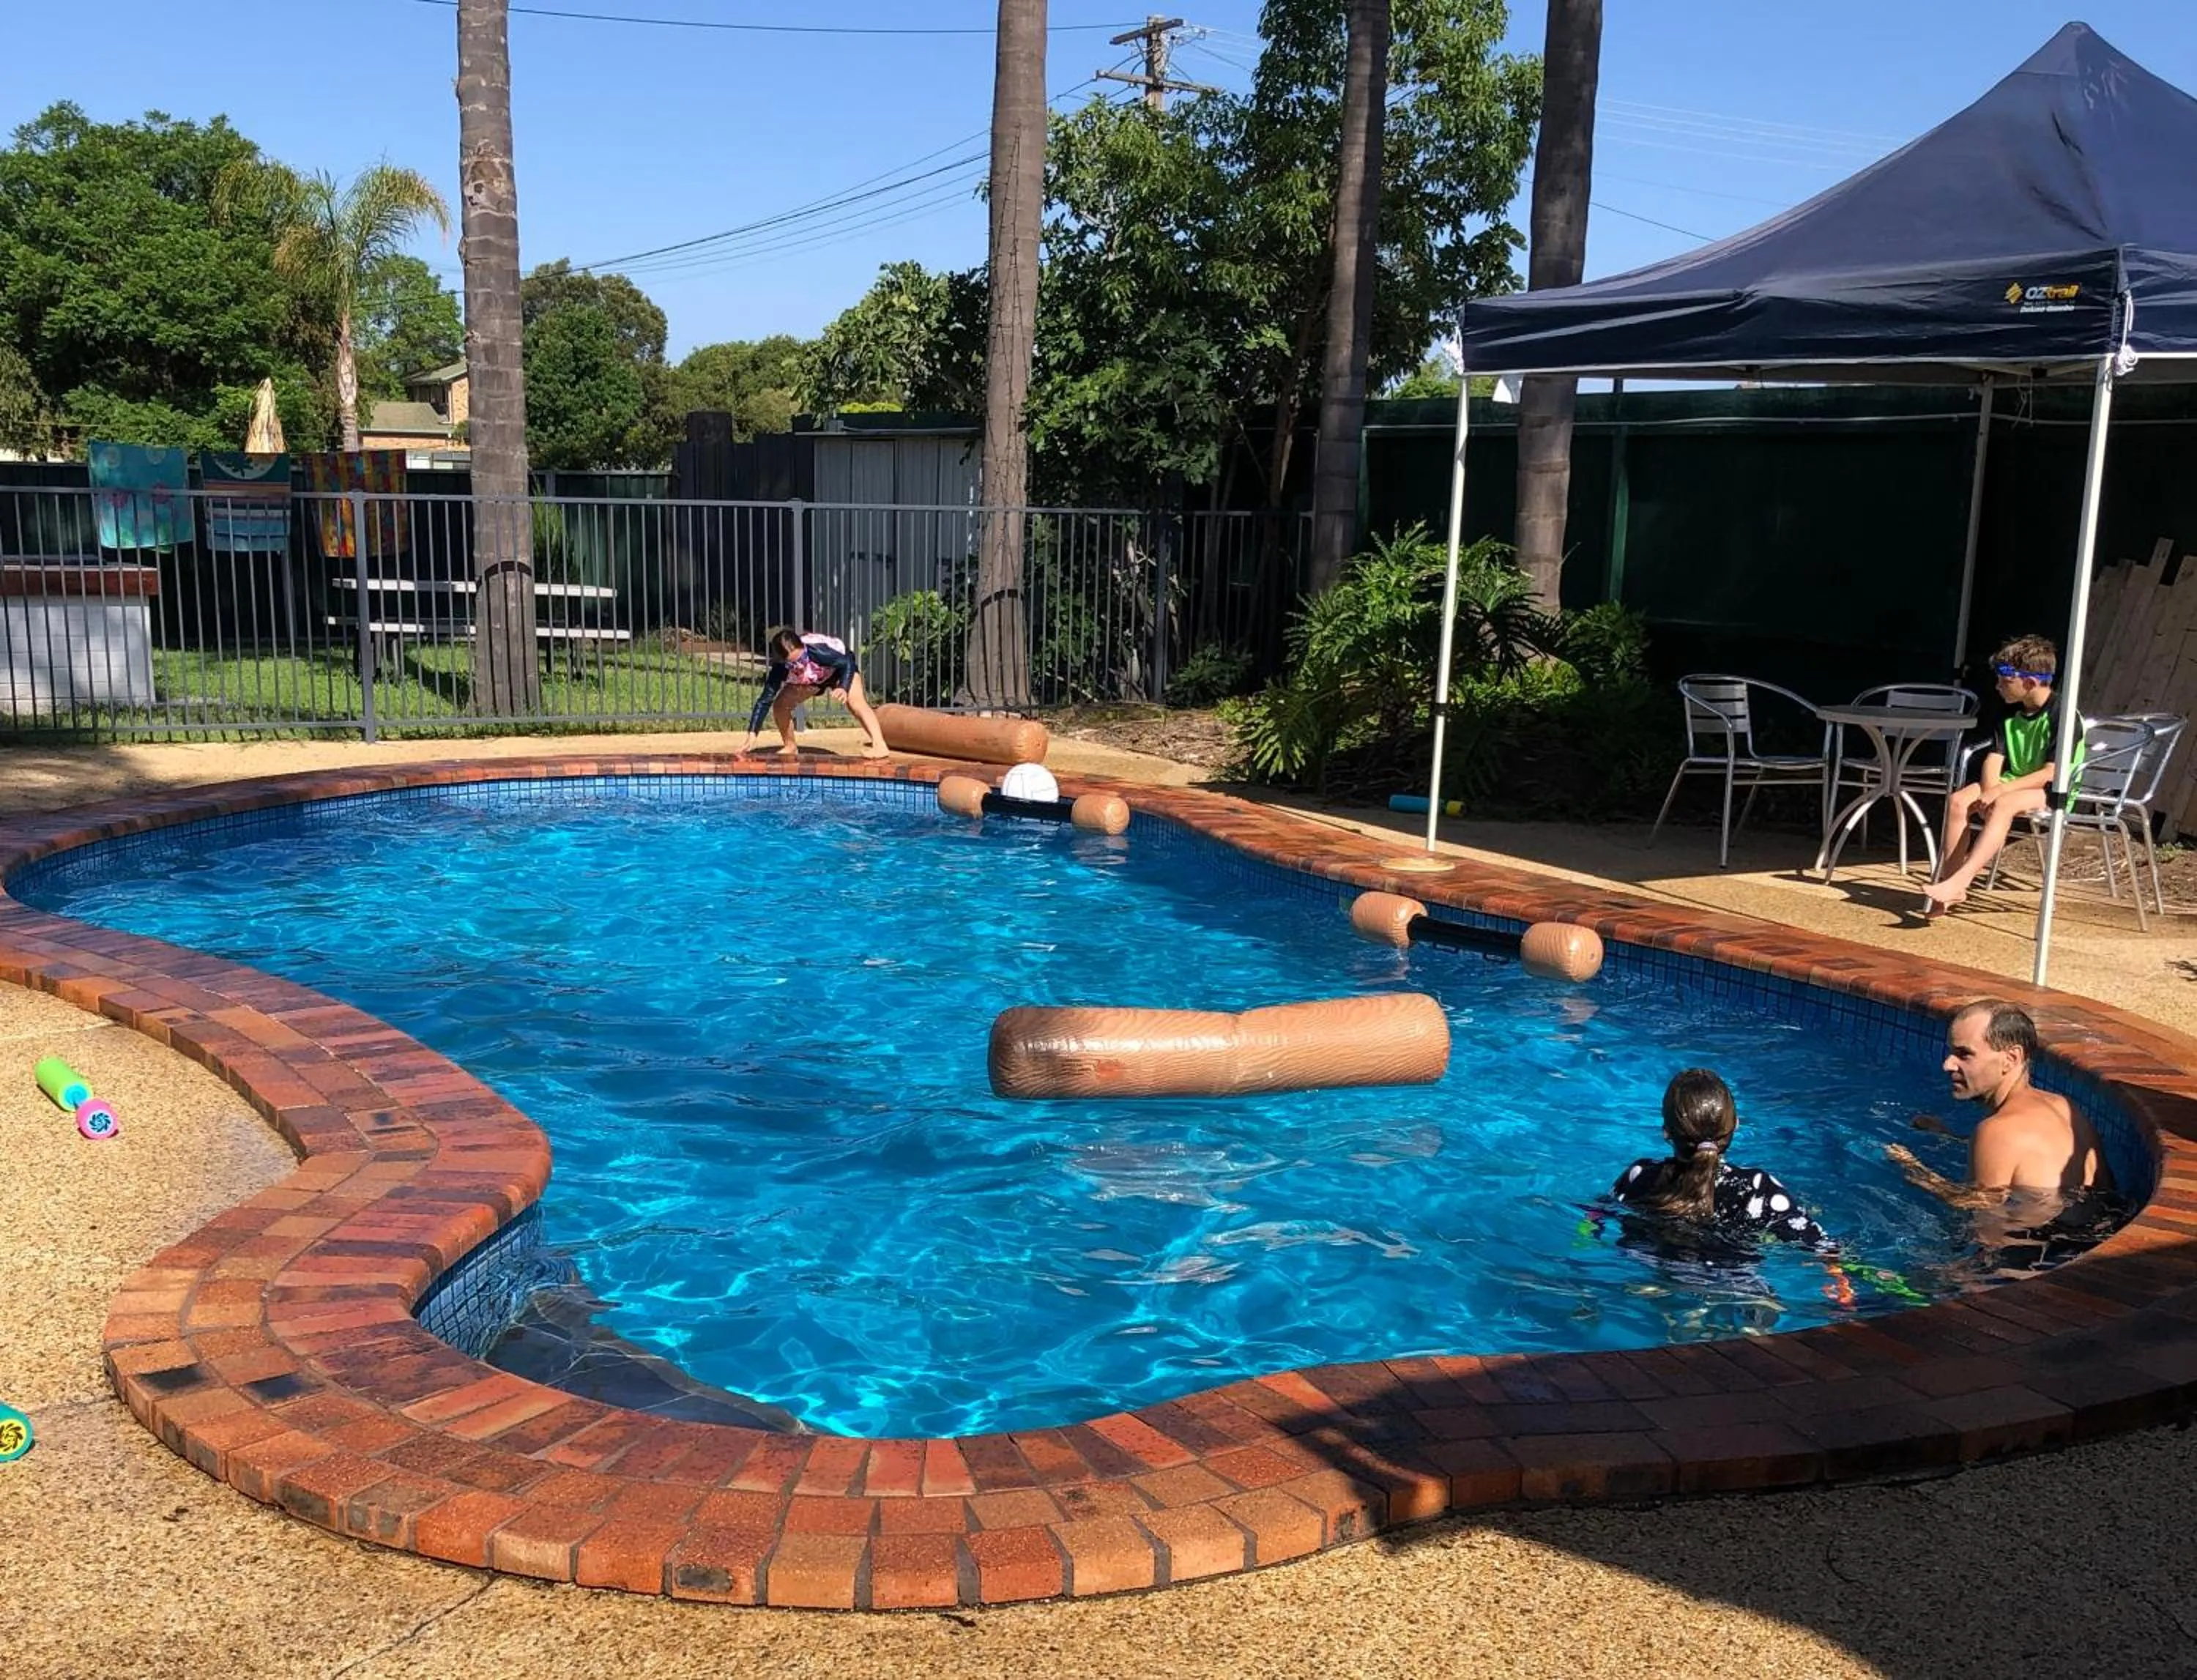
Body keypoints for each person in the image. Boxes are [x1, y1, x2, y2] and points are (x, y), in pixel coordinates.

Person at [1885, 999, 2113, 1212]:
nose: (1948, 1064)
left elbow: (1983, 1216)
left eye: (1964, 1055)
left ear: (2011, 1058)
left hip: (2047, 1248)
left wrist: (1915, 1171)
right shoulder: (2064, 1106)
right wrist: (1949, 1137)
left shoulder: (1998, 1131)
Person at [1922, 634, 2085, 918]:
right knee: (1959, 801)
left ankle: (1963, 880)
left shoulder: (2063, 714)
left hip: (2052, 790)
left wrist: (1997, 794)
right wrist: (1990, 790)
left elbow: (2051, 772)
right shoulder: (2008, 711)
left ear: (2031, 683)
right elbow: (1994, 758)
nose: (1997, 686)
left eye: (2004, 681)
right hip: (2012, 783)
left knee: (2004, 804)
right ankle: (1947, 883)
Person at [1610, 1068, 1834, 1251]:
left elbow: (1595, 1215)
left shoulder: (1639, 1176)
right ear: (1735, 1124)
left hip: (1652, 1280)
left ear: (1666, 1131)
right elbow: (1821, 1246)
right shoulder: (1757, 1188)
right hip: (1734, 1289)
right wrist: (1843, 1286)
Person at [739, 628, 890, 760]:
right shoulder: (780, 670)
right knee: (780, 706)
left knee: (856, 703)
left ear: (804, 649)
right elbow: (765, 700)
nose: (800, 665)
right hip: (813, 680)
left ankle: (880, 745)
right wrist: (753, 732)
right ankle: (790, 746)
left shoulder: (819, 651)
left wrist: (843, 687)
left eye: (802, 659)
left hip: (839, 672)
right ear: (783, 662)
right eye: (793, 664)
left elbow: (847, 663)